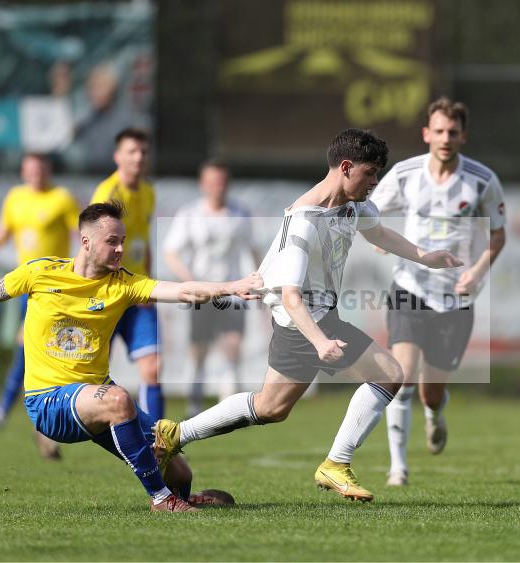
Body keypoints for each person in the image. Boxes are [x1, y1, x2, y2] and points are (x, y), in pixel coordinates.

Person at [150, 128, 463, 503]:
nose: (375, 182)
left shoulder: (354, 204)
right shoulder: (304, 220)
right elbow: (290, 296)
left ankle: (176, 433)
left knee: (271, 407)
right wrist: (320, 341)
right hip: (302, 321)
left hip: (314, 316)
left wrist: (425, 257)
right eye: (369, 173)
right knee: (390, 373)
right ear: (345, 168)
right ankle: (336, 463)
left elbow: (379, 234)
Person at [0, 201, 261, 512]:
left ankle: (182, 496)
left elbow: (181, 290)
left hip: (93, 395)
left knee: (178, 467)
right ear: (86, 242)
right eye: (112, 241)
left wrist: (231, 287)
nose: (121, 248)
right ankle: (161, 500)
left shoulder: (122, 284)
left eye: (123, 240)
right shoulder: (40, 272)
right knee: (120, 400)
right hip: (48, 402)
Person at [369, 97, 507, 487]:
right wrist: (380, 238)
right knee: (401, 376)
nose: (446, 138)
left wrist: (477, 272)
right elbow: (369, 213)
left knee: (430, 392)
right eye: (439, 131)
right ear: (426, 134)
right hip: (409, 286)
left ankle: (434, 413)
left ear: (463, 136)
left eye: (453, 132)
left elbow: (498, 235)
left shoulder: (482, 180)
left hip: (456, 298)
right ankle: (398, 468)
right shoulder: (405, 174)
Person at [0, 153, 79, 459]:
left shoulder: (61, 198)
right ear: (24, 172)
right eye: (31, 169)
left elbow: (80, 235)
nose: (36, 174)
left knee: (43, 351)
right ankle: (24, 418)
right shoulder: (15, 198)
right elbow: (2, 235)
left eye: (41, 168)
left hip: (57, 288)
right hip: (28, 288)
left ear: (48, 170)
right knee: (31, 350)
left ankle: (29, 418)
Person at [163, 159, 262, 417]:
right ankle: (194, 403)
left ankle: (228, 410)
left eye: (222, 181)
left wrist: (260, 283)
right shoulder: (190, 214)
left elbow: (254, 249)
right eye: (213, 182)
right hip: (203, 294)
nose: (219, 186)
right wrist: (189, 281)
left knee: (232, 346)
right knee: (199, 350)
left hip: (234, 292)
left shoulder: (240, 214)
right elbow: (171, 252)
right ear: (203, 184)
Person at [90, 128, 165, 423]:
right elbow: (96, 248)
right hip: (108, 292)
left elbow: (143, 242)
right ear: (117, 156)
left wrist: (148, 283)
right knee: (94, 373)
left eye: (143, 151)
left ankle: (158, 439)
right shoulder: (107, 194)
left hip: (137, 293)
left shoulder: (148, 192)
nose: (139, 157)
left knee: (153, 368)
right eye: (132, 151)